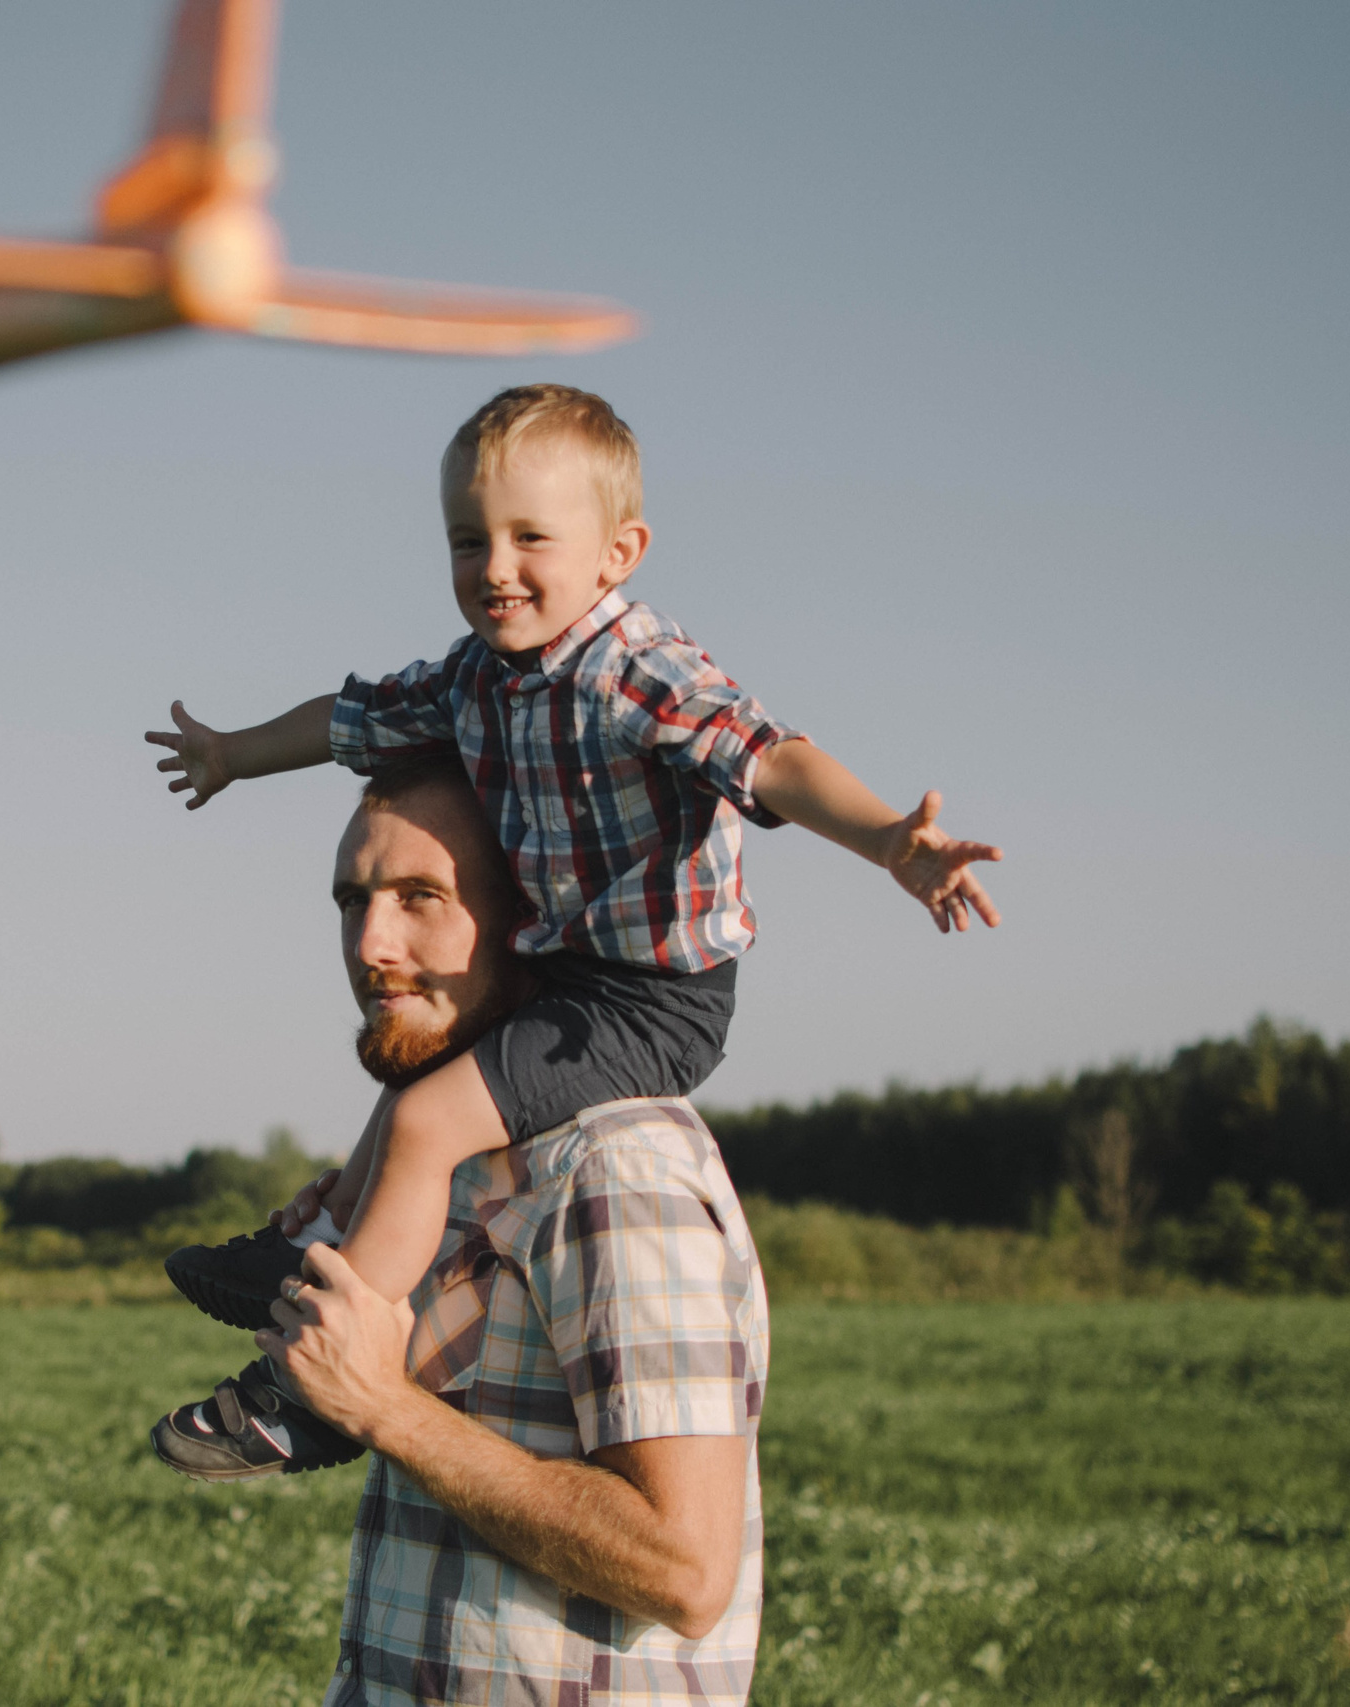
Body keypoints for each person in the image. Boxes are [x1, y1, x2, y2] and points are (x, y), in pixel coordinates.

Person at [146, 383, 1000, 1438]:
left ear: (617, 552)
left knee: (424, 1121)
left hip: (652, 999)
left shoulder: (636, 672)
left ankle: (322, 1387)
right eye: (468, 540)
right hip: (565, 970)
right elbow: (348, 720)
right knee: (415, 1082)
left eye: (528, 538)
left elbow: (772, 759)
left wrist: (884, 843)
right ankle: (311, 1247)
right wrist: (233, 753)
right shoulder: (473, 679)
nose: (494, 568)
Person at [159, 757, 771, 1704]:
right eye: (352, 900)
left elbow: (684, 1569)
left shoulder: (613, 1168)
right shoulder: (468, 1160)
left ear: (531, 921)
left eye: (420, 897)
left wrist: (386, 1411)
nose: (371, 942)